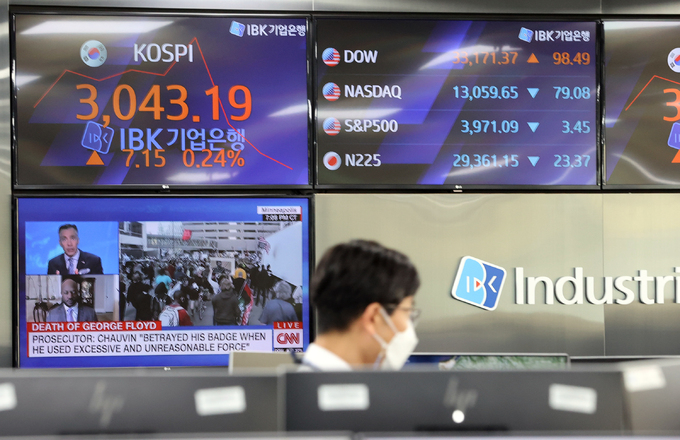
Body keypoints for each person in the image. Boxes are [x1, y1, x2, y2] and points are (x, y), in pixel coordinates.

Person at [300, 240, 420, 371]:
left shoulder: (301, 380)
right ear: (374, 317)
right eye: (408, 312)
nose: (408, 328)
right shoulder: (337, 383)